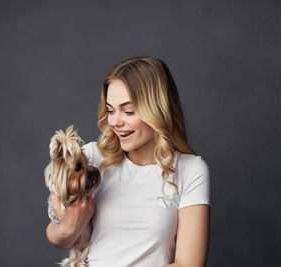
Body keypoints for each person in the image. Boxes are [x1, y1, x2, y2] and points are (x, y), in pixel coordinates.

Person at [46, 56, 210, 266]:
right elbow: (58, 234)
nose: (114, 121)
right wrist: (66, 229)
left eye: (128, 111)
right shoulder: (91, 161)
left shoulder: (190, 170)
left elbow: (189, 264)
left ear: (158, 110)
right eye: (111, 110)